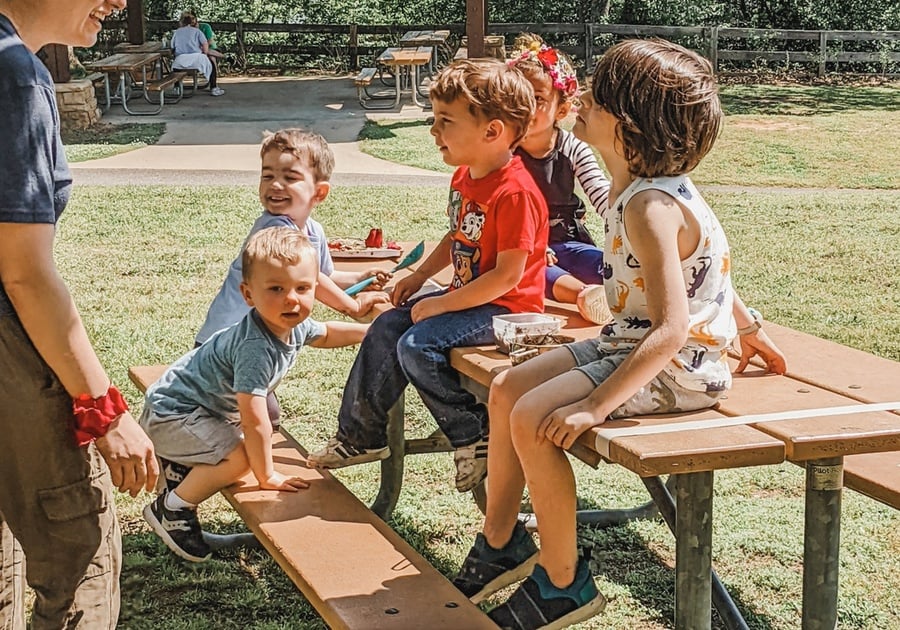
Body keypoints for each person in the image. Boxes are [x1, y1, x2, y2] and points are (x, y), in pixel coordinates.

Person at [451, 39, 788, 630]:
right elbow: (703, 275)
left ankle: (563, 584)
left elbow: (673, 325)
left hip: (675, 366)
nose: (579, 99)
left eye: (597, 97)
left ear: (627, 126)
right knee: (507, 388)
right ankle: (502, 539)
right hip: (630, 344)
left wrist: (593, 407)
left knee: (532, 417)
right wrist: (748, 326)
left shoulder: (649, 208)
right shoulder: (636, 193)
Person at [307, 58, 550, 494]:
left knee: (419, 344)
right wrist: (421, 277)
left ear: (491, 131)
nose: (434, 131)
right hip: (467, 299)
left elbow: (508, 278)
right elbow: (457, 235)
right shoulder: (464, 177)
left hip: (505, 310)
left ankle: (473, 432)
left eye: (445, 121)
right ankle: (360, 436)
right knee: (386, 325)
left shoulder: (516, 193)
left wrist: (439, 304)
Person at [0, 0, 158, 627]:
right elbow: (23, 272)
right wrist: (103, 411)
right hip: (12, 348)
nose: (119, 1)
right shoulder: (15, 74)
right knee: (77, 548)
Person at [141, 227, 367, 562]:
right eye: (276, 289)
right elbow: (254, 419)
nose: (292, 298)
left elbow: (325, 333)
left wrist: (370, 332)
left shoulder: (291, 322)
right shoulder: (255, 348)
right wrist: (267, 475)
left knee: (242, 451)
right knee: (242, 459)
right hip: (174, 416)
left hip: (193, 410)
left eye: (302, 288)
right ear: (248, 295)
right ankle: (172, 509)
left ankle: (180, 470)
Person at [196, 128, 389, 425]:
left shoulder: (314, 231)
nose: (275, 185)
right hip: (223, 350)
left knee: (264, 417)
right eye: (267, 175)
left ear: (319, 192)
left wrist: (360, 277)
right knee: (256, 420)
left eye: (290, 177)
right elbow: (317, 283)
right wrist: (351, 307)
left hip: (254, 346)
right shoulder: (273, 229)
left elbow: (325, 276)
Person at [507, 34, 611, 322]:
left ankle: (627, 293)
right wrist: (533, 248)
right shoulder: (503, 151)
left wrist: (629, 223)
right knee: (533, 272)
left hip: (569, 241)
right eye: (517, 97)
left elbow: (603, 196)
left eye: (537, 99)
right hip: (521, 250)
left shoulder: (572, 148)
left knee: (611, 266)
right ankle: (585, 297)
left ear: (562, 110)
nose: (524, 107)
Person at [170, 11, 224, 96]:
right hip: (196, 58)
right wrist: (205, 53)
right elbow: (205, 43)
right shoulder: (197, 31)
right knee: (211, 66)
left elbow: (172, 46)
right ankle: (214, 88)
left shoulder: (177, 32)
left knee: (175, 68)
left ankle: (176, 88)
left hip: (181, 59)